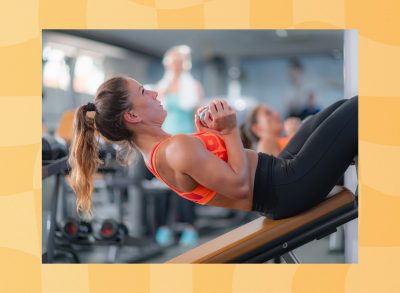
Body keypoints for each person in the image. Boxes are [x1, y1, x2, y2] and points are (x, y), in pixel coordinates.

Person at [68, 76, 357, 221]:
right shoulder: (175, 150)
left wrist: (212, 135)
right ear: (132, 116)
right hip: (286, 185)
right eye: (144, 92)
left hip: (279, 173)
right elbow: (241, 187)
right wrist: (230, 131)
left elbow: (224, 170)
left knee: (340, 109)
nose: (155, 93)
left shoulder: (164, 151)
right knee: (359, 111)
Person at [154, 45, 204, 247]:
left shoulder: (194, 86)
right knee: (165, 185)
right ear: (168, 64)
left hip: (186, 139)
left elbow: (199, 112)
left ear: (184, 64)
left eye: (178, 62)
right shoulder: (161, 86)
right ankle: (164, 227)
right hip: (165, 139)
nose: (175, 65)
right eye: (172, 61)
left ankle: (191, 228)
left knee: (186, 184)